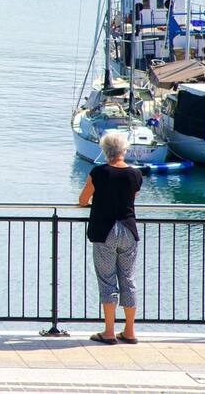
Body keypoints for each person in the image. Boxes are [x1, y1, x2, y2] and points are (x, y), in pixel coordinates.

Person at [78, 133, 143, 345]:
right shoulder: (135, 174)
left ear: (105, 151)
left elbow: (82, 200)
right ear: (124, 150)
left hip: (105, 231)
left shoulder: (98, 173)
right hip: (128, 230)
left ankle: (109, 331)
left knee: (107, 281)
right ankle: (130, 331)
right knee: (128, 279)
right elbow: (131, 199)